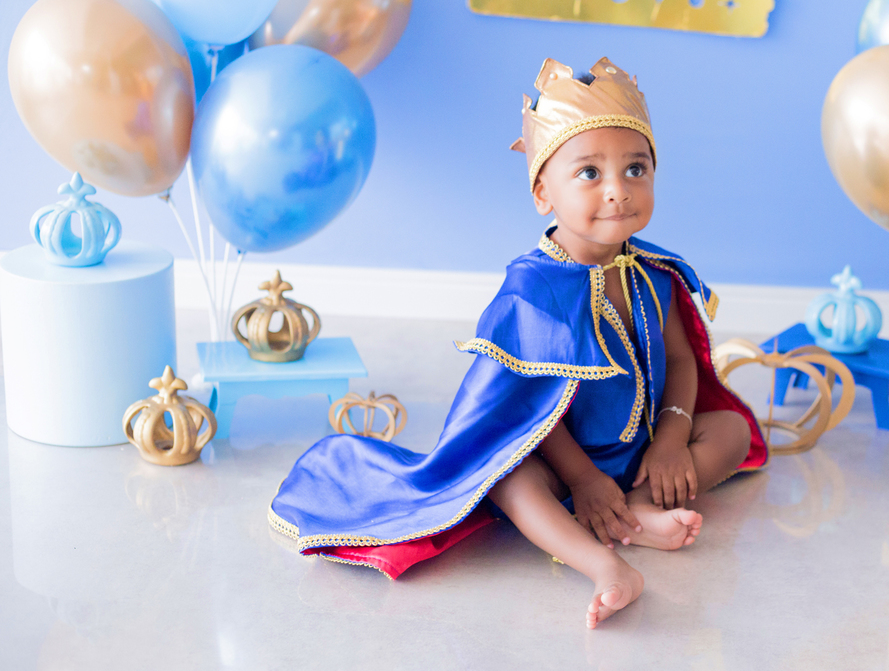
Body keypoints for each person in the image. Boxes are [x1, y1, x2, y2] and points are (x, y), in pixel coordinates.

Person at [269, 57, 767, 628]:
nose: (618, 192)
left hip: (646, 446)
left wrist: (674, 437)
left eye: (636, 169)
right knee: (512, 479)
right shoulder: (532, 289)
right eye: (589, 173)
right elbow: (520, 409)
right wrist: (581, 478)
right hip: (564, 460)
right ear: (542, 192)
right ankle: (605, 565)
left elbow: (680, 361)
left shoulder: (654, 273)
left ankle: (639, 507)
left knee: (726, 429)